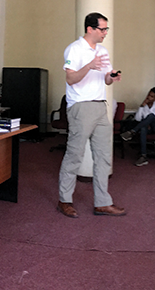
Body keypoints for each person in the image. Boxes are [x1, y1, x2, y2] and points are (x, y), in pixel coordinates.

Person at [58, 12, 125, 218]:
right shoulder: (75, 49)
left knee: (104, 156)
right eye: (102, 29)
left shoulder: (103, 50)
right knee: (75, 155)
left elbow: (104, 79)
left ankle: (102, 203)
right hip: (81, 107)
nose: (105, 33)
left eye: (106, 29)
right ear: (90, 29)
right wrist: (89, 66)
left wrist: (111, 77)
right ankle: (65, 200)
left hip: (100, 107)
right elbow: (70, 79)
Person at [121, 87, 155, 167]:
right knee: (142, 128)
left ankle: (131, 132)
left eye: (152, 96)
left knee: (151, 116)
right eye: (149, 95)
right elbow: (137, 119)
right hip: (146, 127)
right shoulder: (144, 106)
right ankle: (143, 156)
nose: (149, 97)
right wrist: (142, 106)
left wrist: (149, 122)